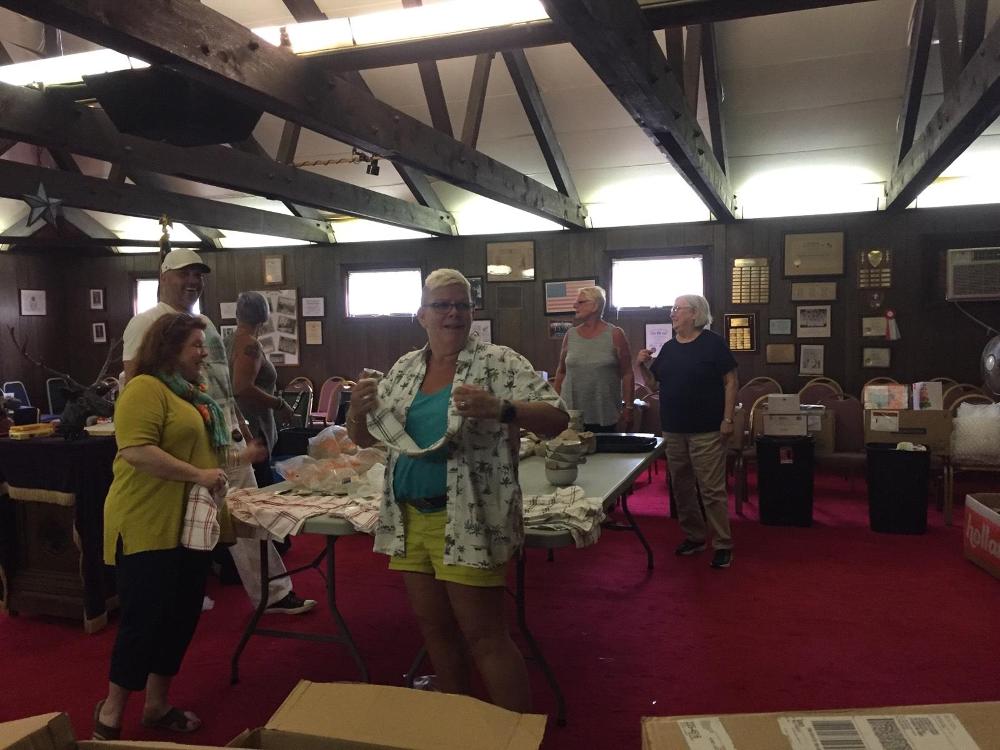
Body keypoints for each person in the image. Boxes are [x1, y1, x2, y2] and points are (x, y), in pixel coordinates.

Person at [346, 268, 567, 711]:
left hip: (466, 517)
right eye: (442, 305)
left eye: (461, 305)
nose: (453, 313)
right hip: (408, 519)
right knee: (436, 634)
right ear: (421, 314)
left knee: (485, 638)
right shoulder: (405, 368)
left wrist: (503, 408)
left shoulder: (498, 362)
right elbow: (366, 438)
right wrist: (355, 410)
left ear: (472, 312)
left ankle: (514, 738)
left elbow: (557, 417)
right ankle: (458, 728)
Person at [122, 248, 314, 615]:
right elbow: (136, 382)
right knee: (184, 521)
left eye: (199, 275)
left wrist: (239, 425)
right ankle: (178, 600)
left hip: (226, 433)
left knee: (251, 515)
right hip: (187, 439)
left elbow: (222, 384)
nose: (193, 282)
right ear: (164, 276)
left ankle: (272, 594)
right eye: (184, 274)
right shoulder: (145, 323)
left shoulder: (206, 325)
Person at [94, 313, 230, 739]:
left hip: (187, 527)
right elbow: (136, 451)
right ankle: (111, 713)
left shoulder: (192, 395)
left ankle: (156, 705)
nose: (203, 352)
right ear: (169, 348)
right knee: (143, 620)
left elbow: (195, 448)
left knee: (179, 618)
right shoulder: (144, 389)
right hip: (146, 523)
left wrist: (238, 460)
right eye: (196, 345)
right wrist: (198, 475)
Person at [636, 294, 738, 569]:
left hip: (707, 429)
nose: (672, 314)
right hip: (674, 429)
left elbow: (730, 381)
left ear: (694, 314)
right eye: (673, 309)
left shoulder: (713, 343)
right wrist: (643, 366)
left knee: (711, 489)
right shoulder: (668, 348)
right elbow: (654, 387)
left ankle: (722, 543)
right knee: (681, 487)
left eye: (676, 309)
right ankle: (695, 536)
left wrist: (728, 418)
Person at [228, 291, 293, 488]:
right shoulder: (250, 345)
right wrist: (280, 404)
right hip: (253, 429)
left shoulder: (225, 342)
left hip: (235, 426)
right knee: (262, 492)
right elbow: (242, 387)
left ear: (237, 314)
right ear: (264, 316)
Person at [553, 285, 634, 431]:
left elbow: (627, 373)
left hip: (605, 413)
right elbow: (561, 372)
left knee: (605, 452)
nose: (574, 305)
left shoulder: (615, 334)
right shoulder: (570, 335)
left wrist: (628, 407)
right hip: (571, 413)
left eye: (581, 302)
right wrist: (555, 403)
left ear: (595, 306)